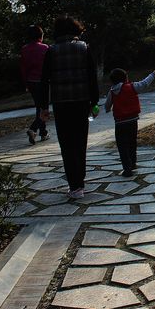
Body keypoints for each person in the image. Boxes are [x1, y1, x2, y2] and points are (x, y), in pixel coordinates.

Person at [39, 16, 99, 199]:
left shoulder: (51, 51)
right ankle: (80, 183)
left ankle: (74, 186)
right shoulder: (84, 48)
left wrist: (43, 107)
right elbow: (92, 76)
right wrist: (94, 102)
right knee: (80, 143)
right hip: (81, 101)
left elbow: (44, 81)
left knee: (67, 144)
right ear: (76, 30)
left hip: (61, 103)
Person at [105, 68, 155, 177]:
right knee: (132, 143)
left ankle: (127, 169)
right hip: (133, 121)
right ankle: (133, 164)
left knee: (122, 146)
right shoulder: (132, 87)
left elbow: (107, 106)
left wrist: (108, 109)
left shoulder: (112, 91)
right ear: (125, 78)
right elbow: (144, 84)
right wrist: (153, 74)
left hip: (120, 123)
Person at [20, 25, 50, 145]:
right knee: (44, 109)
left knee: (39, 107)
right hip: (43, 82)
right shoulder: (45, 48)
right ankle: (33, 129)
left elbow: (23, 69)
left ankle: (43, 133)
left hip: (31, 82)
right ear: (40, 36)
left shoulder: (24, 49)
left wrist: (26, 84)